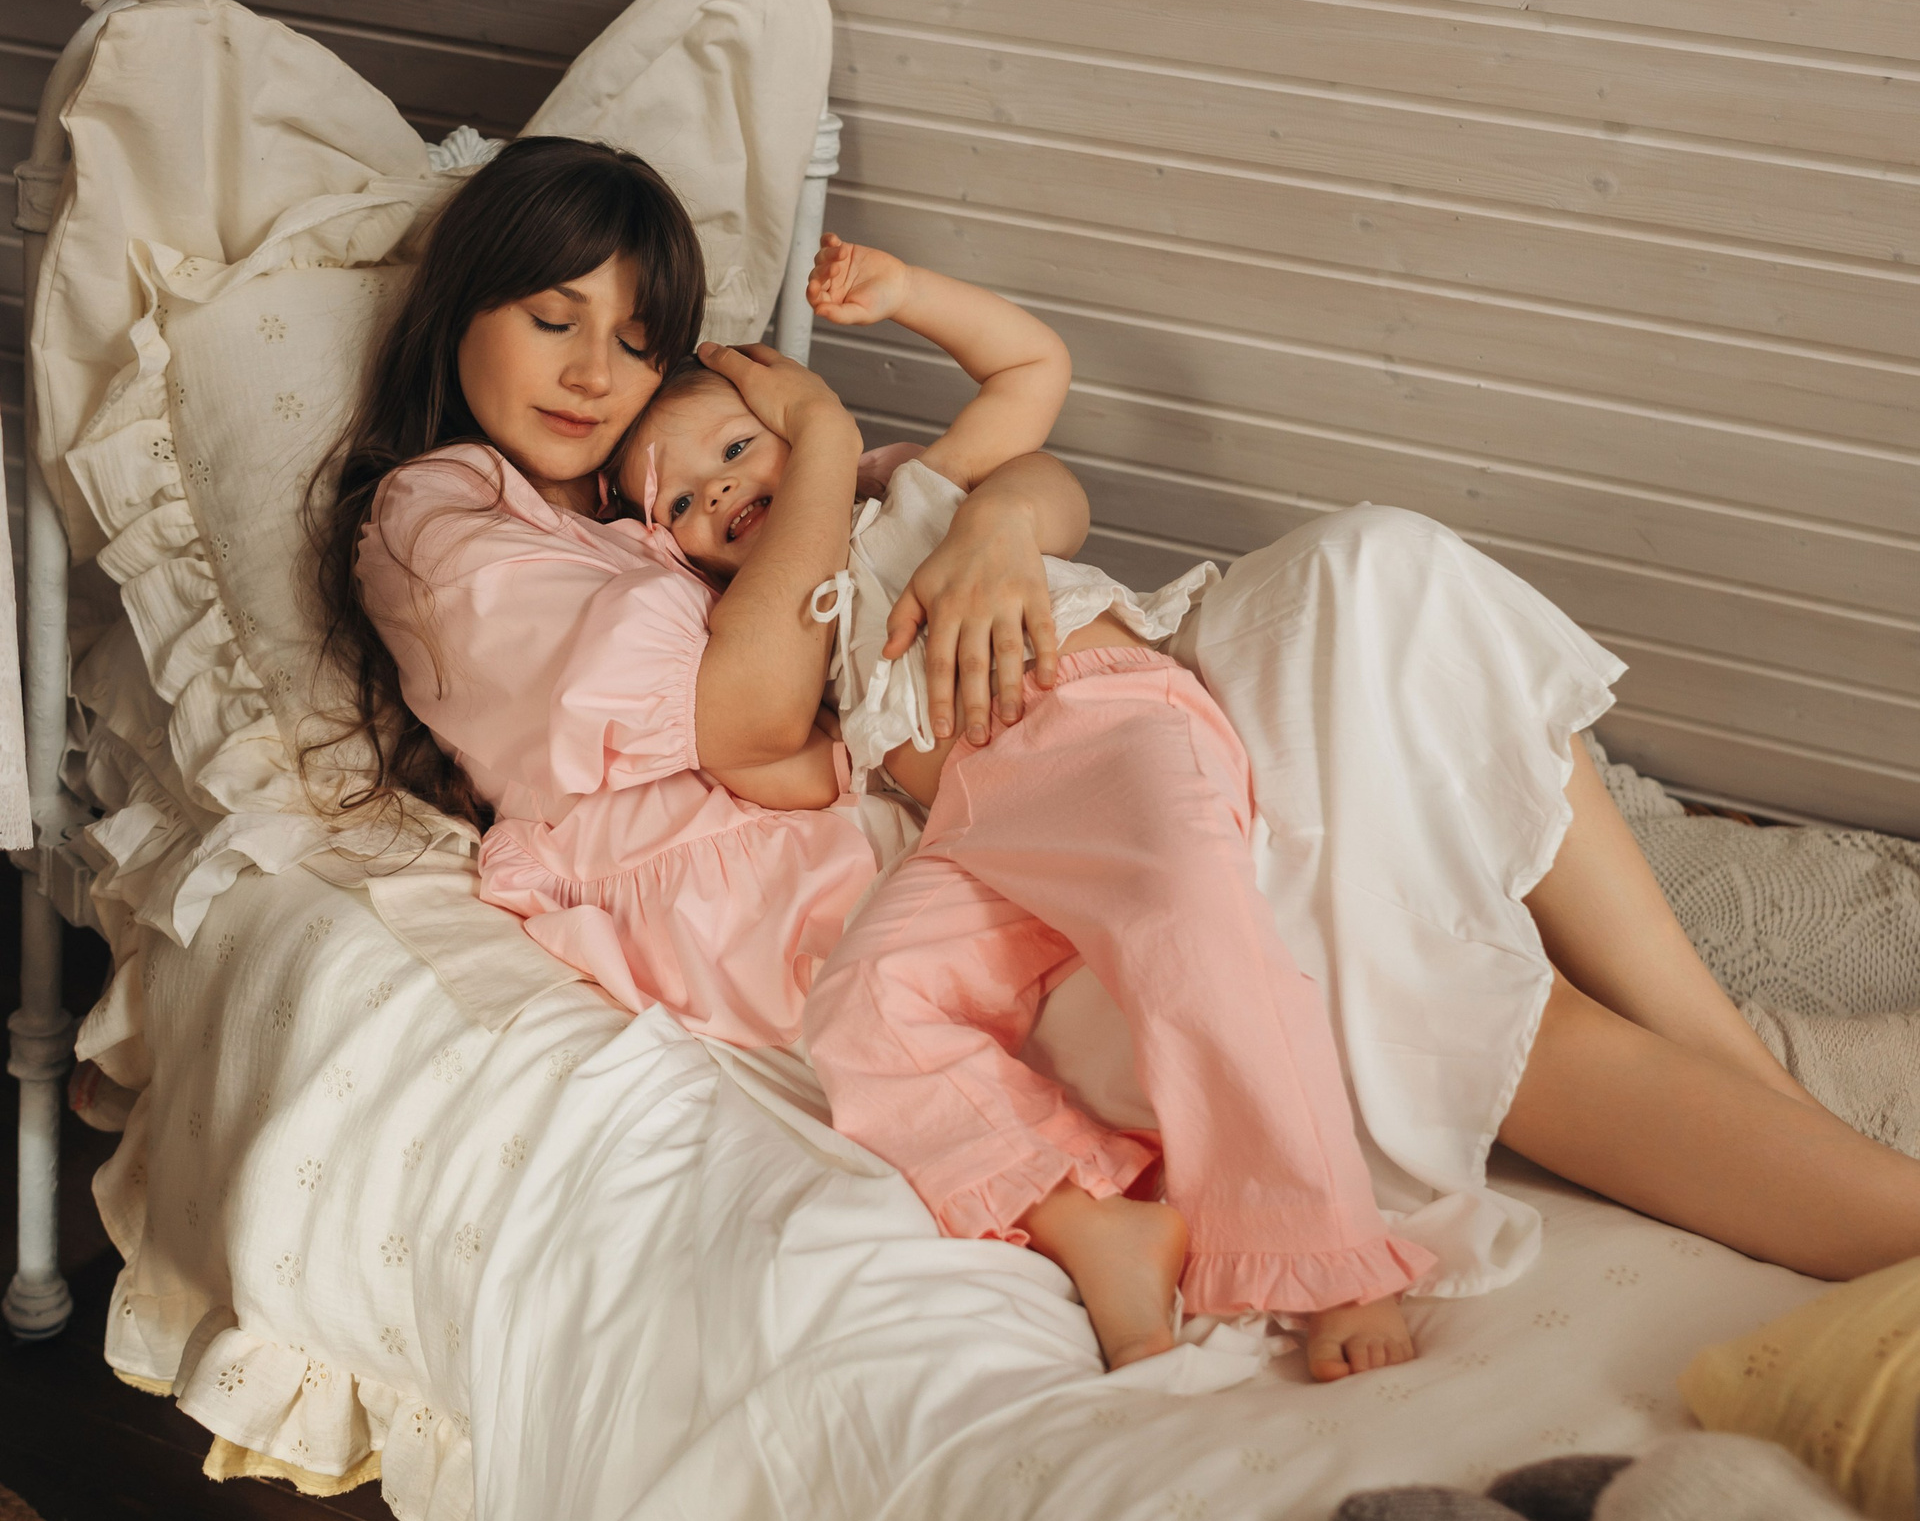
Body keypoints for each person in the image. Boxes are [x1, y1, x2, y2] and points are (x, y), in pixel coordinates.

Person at [327, 136, 1920, 1376]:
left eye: (633, 338)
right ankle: (1863, 1213)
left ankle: (1728, 1062)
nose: (593, 374)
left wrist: (996, 534)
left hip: (1081, 717)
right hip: (985, 850)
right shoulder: (452, 521)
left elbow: (1026, 471)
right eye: (552, 322)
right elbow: (759, 725)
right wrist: (815, 449)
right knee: (1389, 952)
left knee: (1384, 579)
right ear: (464, 308)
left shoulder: (709, 475)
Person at [603, 240, 1434, 1372]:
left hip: (1099, 729)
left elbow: (1033, 368)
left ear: (802, 431)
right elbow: (769, 753)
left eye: (739, 449)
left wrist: (907, 295)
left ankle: (1329, 1257)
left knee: (1194, 927)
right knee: (862, 1007)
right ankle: (1091, 1214)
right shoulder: (786, 629)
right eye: (684, 502)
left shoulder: (911, 496)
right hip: (976, 830)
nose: (721, 492)